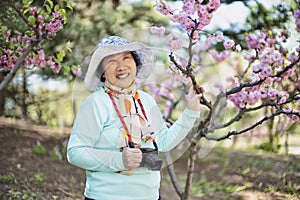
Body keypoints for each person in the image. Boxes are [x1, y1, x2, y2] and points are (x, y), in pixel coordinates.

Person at [67, 36, 202, 200]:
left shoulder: (146, 100)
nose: (121, 66)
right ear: (101, 71)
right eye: (111, 61)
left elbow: (164, 142)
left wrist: (190, 111)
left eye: (126, 58)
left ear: (136, 64)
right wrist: (120, 160)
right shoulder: (95, 102)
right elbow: (75, 152)